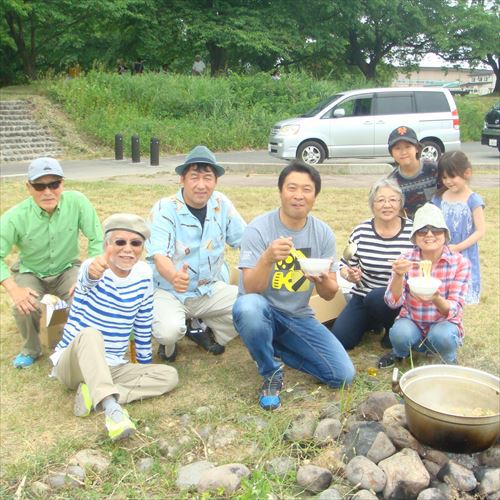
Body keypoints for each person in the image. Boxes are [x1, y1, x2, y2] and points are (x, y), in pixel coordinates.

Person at [232, 161, 355, 411]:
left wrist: (323, 281)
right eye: (292, 188)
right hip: (263, 309)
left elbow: (330, 294)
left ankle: (272, 347)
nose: (299, 195)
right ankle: (270, 371)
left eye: (307, 190)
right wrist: (267, 258)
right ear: (280, 192)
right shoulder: (258, 229)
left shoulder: (323, 233)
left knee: (342, 376)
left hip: (298, 316)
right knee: (248, 308)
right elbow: (251, 288)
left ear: (315, 196)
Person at [51, 214, 178, 441]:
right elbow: (87, 280)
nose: (128, 249)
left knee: (169, 376)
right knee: (91, 334)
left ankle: (94, 393)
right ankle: (112, 410)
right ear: (107, 245)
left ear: (142, 248)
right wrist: (92, 273)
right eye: (120, 242)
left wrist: (144, 367)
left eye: (135, 243)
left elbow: (142, 323)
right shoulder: (93, 267)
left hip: (114, 365)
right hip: (73, 363)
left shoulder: (144, 275)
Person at [146, 146, 246, 362]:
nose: (201, 185)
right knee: (169, 330)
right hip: (169, 290)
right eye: (194, 177)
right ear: (182, 179)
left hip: (209, 288)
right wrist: (174, 276)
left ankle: (200, 326)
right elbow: (159, 255)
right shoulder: (165, 208)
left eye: (208, 178)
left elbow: (244, 240)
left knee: (251, 308)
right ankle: (169, 342)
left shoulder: (221, 203)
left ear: (215, 181)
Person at [0, 157, 103, 368]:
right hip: (32, 271)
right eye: (39, 185)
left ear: (62, 184)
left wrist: (88, 275)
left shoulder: (78, 202)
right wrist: (14, 288)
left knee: (85, 300)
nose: (48, 192)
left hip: (67, 268)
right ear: (28, 187)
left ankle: (79, 346)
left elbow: (97, 239)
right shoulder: (14, 217)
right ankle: (31, 348)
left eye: (54, 184)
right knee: (25, 306)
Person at [378, 203, 471, 368]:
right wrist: (398, 275)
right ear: (414, 237)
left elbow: (453, 309)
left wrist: (435, 297)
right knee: (400, 333)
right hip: (412, 320)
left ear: (445, 234)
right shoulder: (406, 259)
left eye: (436, 230)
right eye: (422, 230)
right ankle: (399, 353)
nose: (429, 235)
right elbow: (392, 302)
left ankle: (449, 358)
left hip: (444, 323)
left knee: (442, 336)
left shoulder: (460, 263)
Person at [332, 179, 413, 350]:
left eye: (392, 200)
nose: (387, 205)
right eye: (380, 200)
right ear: (372, 204)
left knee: (377, 298)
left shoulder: (413, 232)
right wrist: (350, 275)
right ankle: (374, 321)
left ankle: (392, 325)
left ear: (400, 203)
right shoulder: (361, 231)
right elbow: (344, 265)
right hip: (364, 295)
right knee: (341, 339)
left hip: (401, 299)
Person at [431, 151, 485, 304]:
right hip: (441, 252)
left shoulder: (473, 200)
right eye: (444, 177)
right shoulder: (438, 198)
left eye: (452, 176)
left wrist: (459, 247)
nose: (448, 181)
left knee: (460, 294)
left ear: (467, 173)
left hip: (465, 253)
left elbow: (480, 231)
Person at [387, 126, 438, 219]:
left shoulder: (434, 169)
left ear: (417, 148)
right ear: (391, 153)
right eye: (397, 148)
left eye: (408, 146)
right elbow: (398, 213)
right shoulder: (391, 182)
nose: (403, 152)